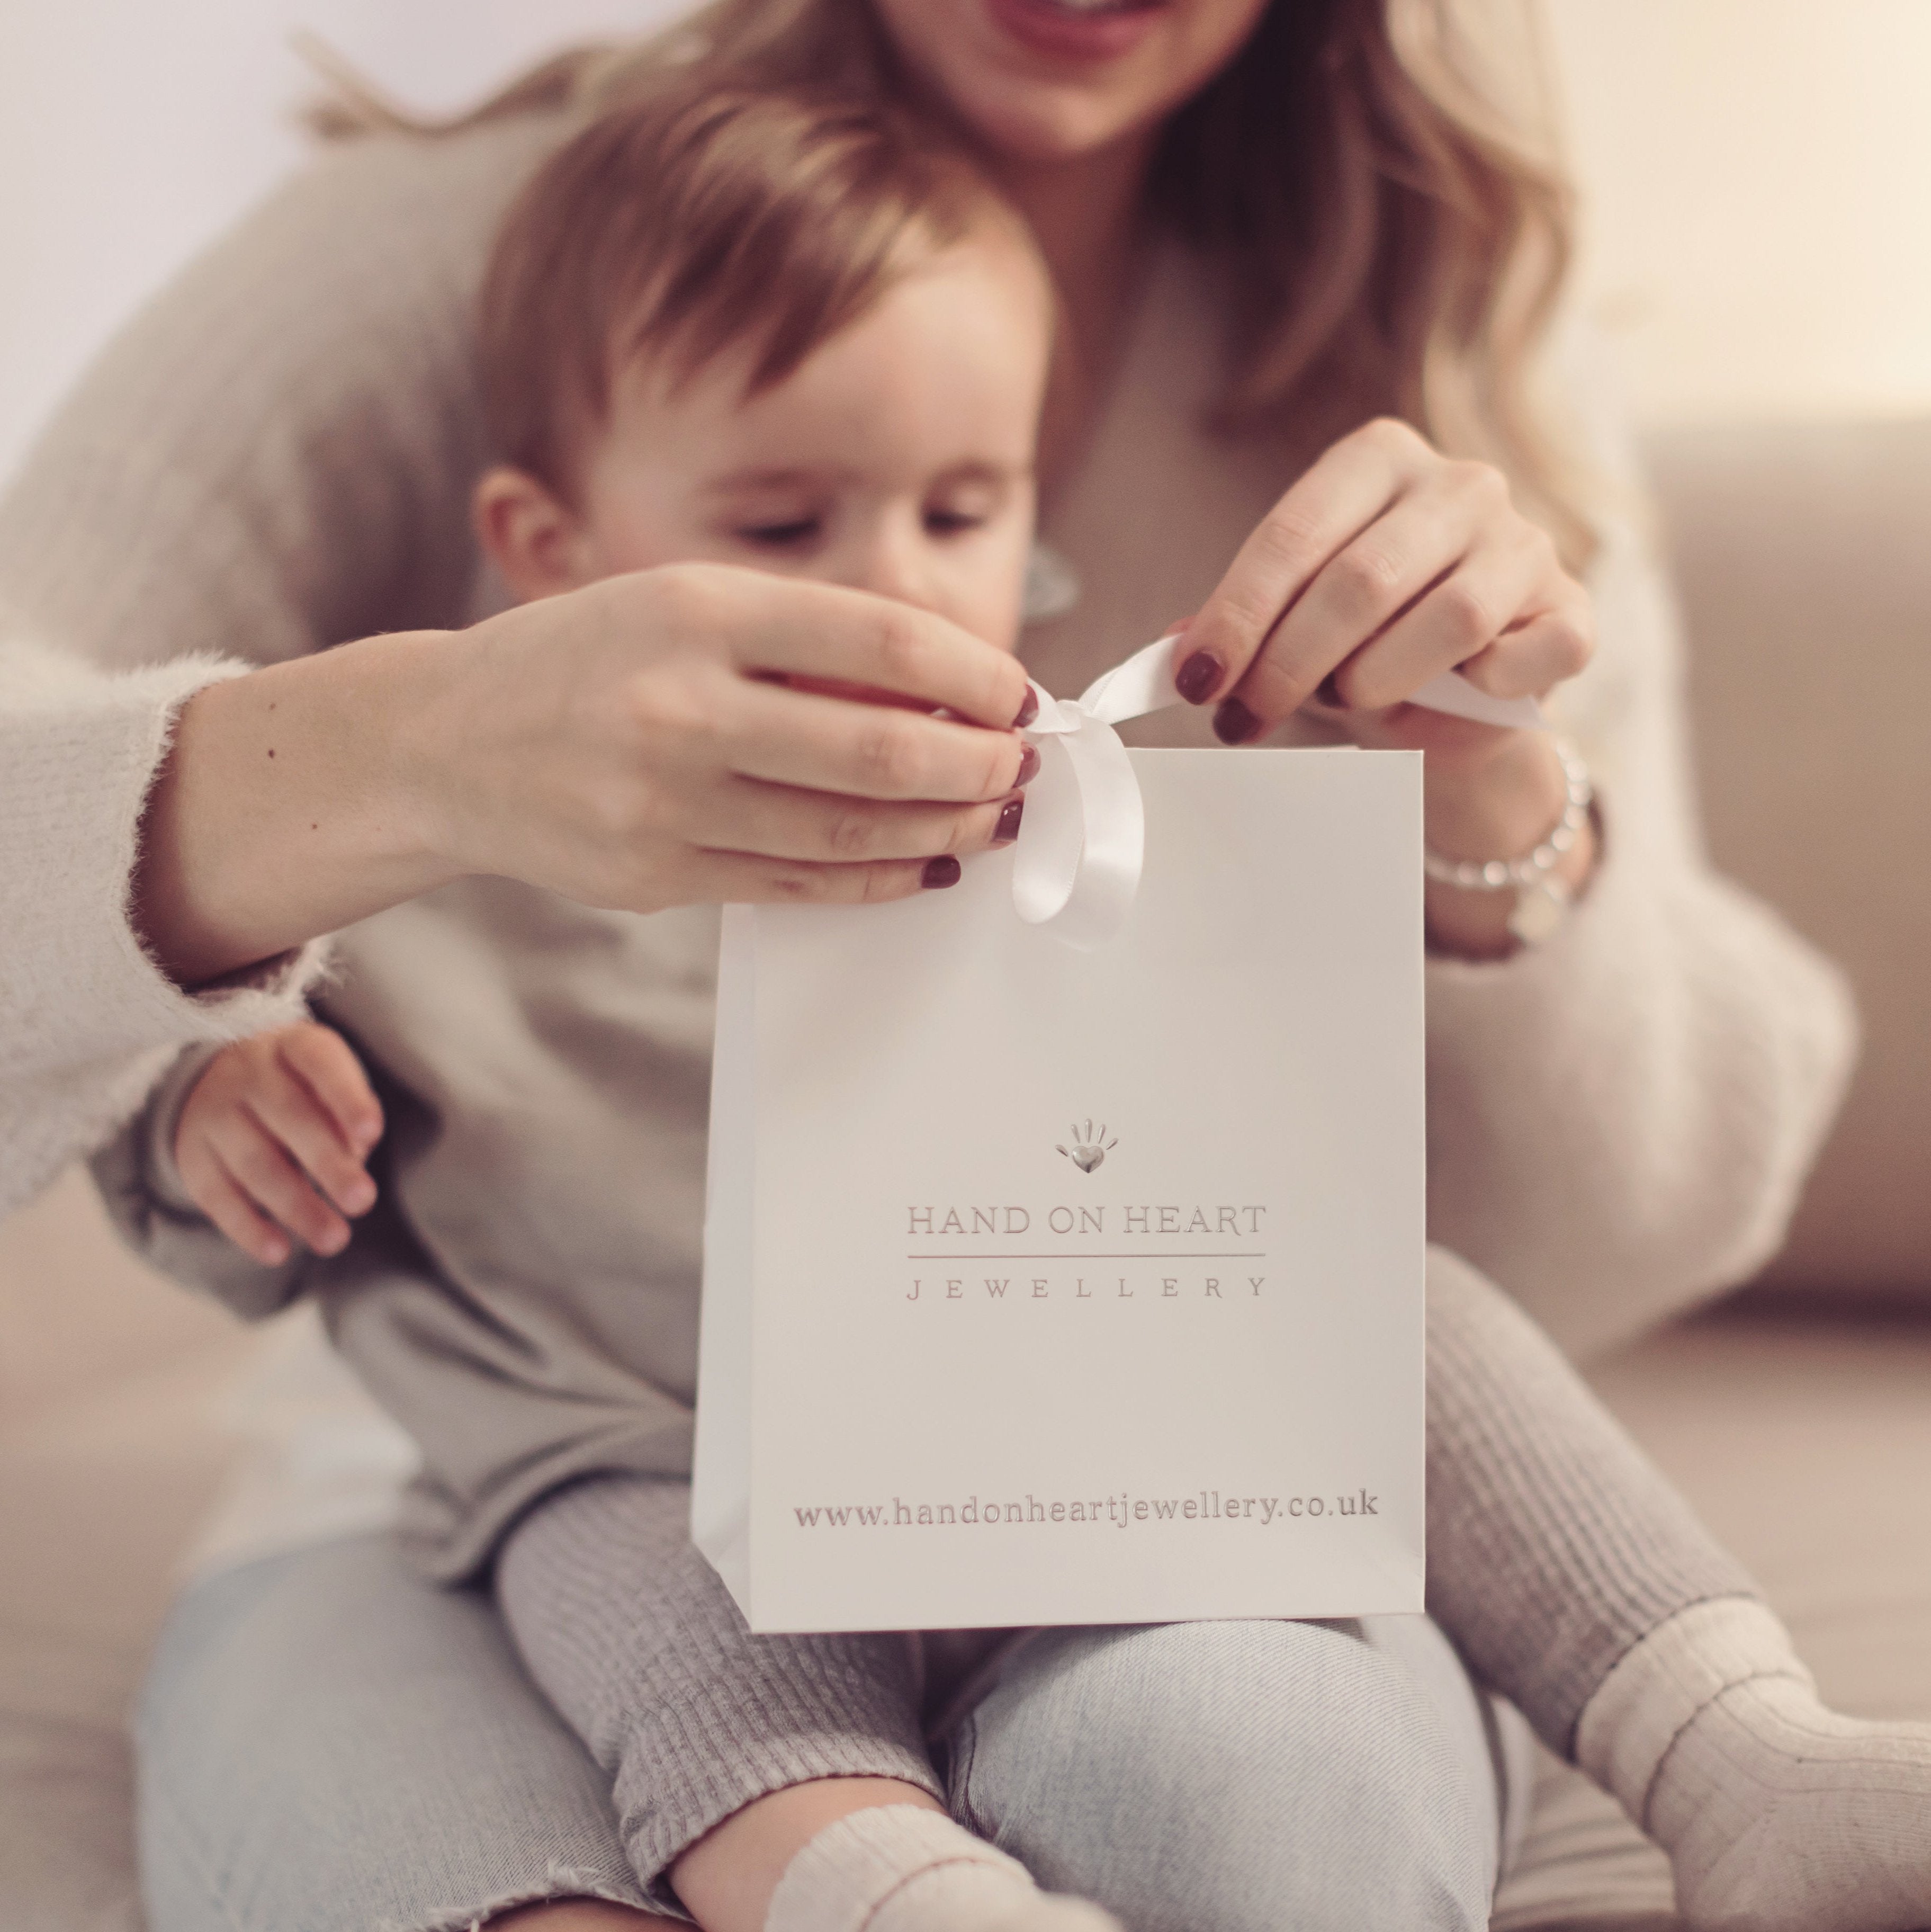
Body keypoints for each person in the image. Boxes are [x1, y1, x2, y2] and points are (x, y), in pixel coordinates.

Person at [0, 1, 1878, 1928]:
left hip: (1151, 1445)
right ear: (538, 542)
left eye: (967, 511)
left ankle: (1742, 1755)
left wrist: (1486, 797)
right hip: (528, 1462)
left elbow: (1538, 1260)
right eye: (785, 513)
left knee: (1262, 1803)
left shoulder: (1442, 328)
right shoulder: (465, 256)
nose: (898, 583)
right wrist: (375, 796)